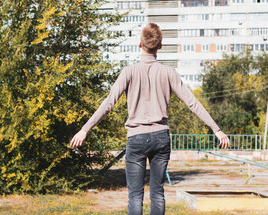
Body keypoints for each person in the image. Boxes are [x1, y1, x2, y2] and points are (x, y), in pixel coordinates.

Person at [70, 23, 230, 215]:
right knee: (157, 193)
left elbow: (108, 103)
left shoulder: (128, 72)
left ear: (140, 44)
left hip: (136, 138)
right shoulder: (169, 73)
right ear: (160, 46)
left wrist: (85, 129)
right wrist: (216, 129)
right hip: (161, 137)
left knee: (135, 196)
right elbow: (192, 103)